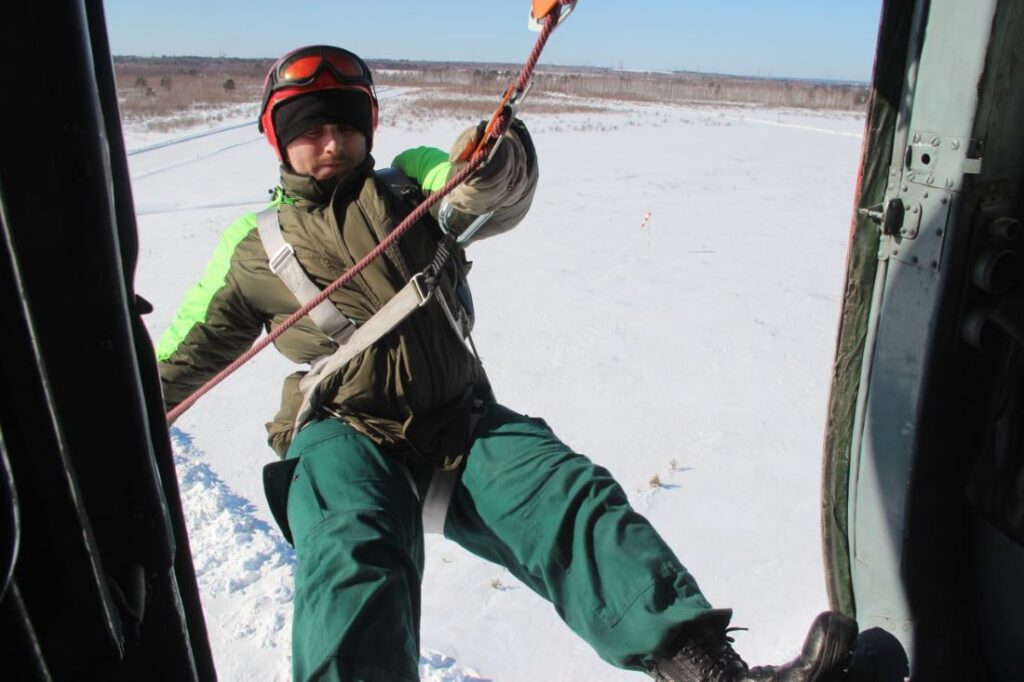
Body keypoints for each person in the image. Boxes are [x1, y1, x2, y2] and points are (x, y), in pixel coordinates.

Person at [157, 45, 857, 681]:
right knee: (352, 549)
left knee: (567, 497)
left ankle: (708, 670)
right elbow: (186, 351)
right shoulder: (252, 247)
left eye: (343, 122)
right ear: (278, 139)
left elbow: (481, 193)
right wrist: (107, 389)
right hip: (342, 427)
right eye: (308, 127)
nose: (331, 141)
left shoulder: (410, 187)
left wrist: (492, 161)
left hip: (457, 422)